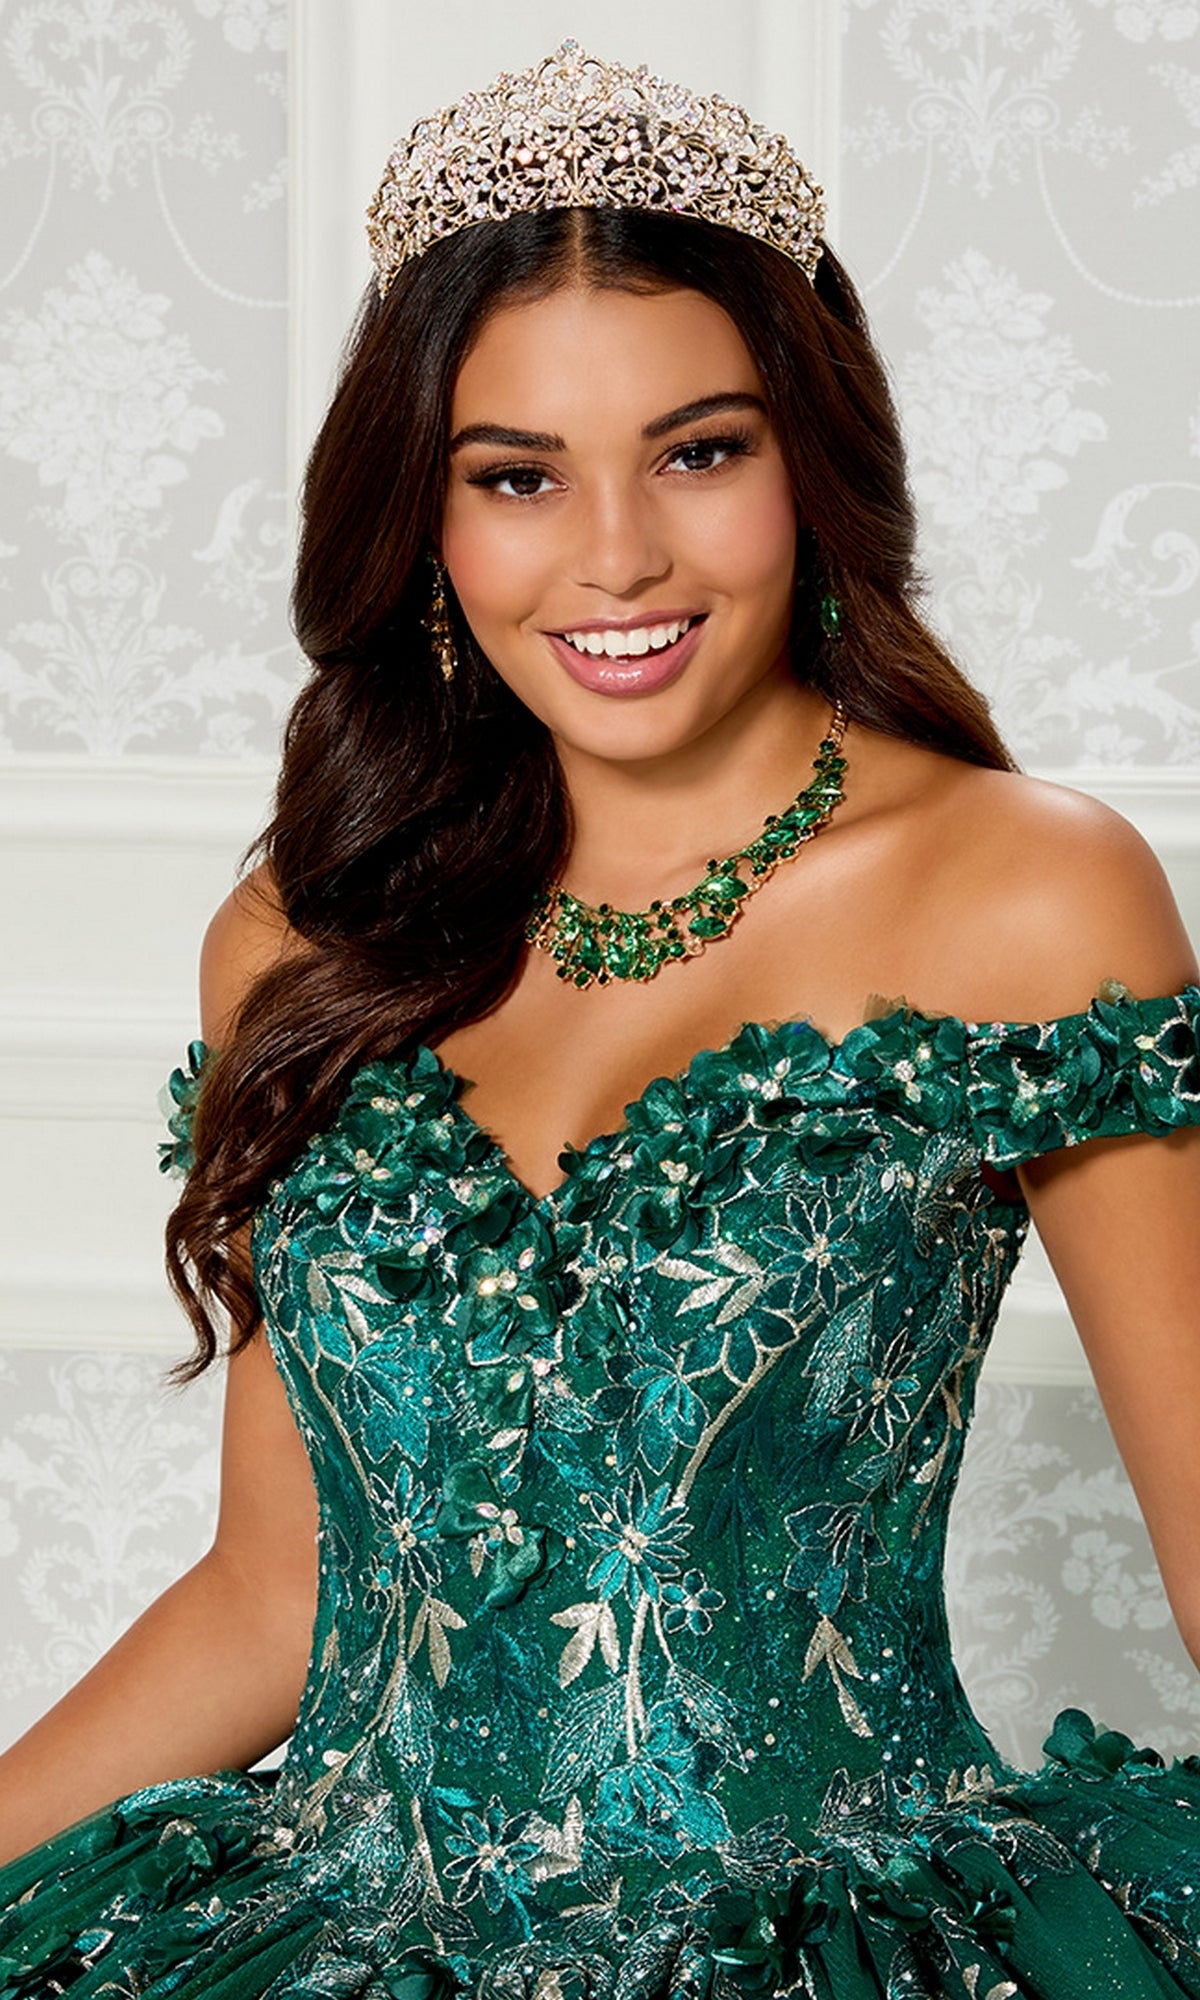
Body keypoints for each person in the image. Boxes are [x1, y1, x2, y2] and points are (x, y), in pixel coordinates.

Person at [1, 38, 1199, 1999]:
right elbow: (276, 1592)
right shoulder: (310, 935)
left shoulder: (1029, 891)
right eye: (517, 475)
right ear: (429, 515)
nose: (617, 552)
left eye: (699, 449)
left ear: (810, 457)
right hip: (339, 1943)